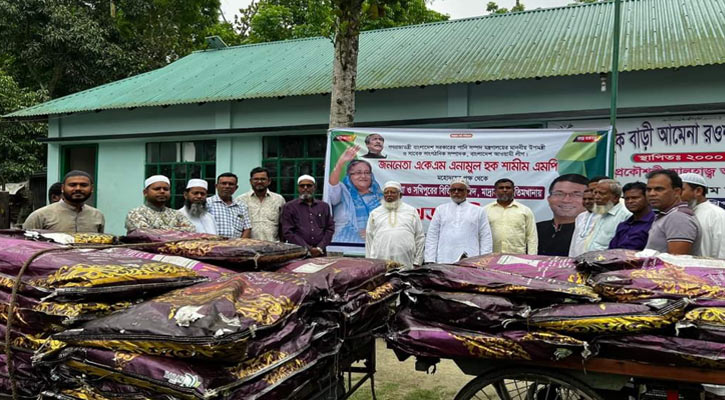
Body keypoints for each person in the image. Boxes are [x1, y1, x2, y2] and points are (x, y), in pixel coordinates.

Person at [424, 178, 493, 263]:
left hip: (471, 258)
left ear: (467, 192)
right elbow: (432, 236)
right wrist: (430, 259)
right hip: (444, 258)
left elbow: (485, 237)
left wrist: (485, 259)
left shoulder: (478, 211)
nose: (456, 192)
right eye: (453, 190)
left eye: (460, 190)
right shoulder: (441, 210)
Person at [328, 146, 383, 243]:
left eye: (367, 172)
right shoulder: (343, 193)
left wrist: (372, 232)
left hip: (375, 247)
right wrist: (340, 163)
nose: (363, 176)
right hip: (344, 246)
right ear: (349, 176)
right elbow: (332, 186)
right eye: (358, 173)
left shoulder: (379, 197)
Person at [365, 181, 425, 267]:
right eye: (386, 192)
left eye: (393, 192)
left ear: (400, 195)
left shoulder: (411, 211)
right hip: (380, 259)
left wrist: (417, 261)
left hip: (406, 260)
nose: (389, 195)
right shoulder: (375, 213)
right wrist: (370, 262)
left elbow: (419, 237)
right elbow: (369, 238)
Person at [24, 170, 104, 233]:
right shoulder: (40, 216)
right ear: (62, 188)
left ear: (92, 189)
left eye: (83, 185)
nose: (78, 188)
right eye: (72, 185)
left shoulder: (97, 215)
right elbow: (25, 247)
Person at [644, 169, 700, 255]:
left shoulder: (678, 217)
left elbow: (676, 262)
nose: (652, 194)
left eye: (659, 189)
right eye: (648, 189)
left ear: (676, 192)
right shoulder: (667, 214)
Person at [280, 175, 335, 256]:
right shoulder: (289, 207)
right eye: (302, 186)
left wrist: (320, 247)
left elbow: (329, 228)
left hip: (320, 252)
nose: (305, 188)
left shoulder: (324, 206)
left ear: (314, 187)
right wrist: (308, 248)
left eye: (309, 185)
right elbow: (288, 231)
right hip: (299, 252)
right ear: (298, 188)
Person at [536, 174, 588, 256]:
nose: (566, 200)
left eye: (576, 195)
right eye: (559, 194)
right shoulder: (534, 229)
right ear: (549, 199)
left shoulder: (591, 232)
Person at [484, 178, 537, 254]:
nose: (505, 190)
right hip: (491, 257)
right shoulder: (485, 210)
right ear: (495, 191)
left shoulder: (525, 211)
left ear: (514, 191)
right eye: (501, 188)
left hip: (518, 257)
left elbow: (532, 237)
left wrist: (532, 257)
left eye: (508, 188)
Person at [125, 175, 195, 233]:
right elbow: (146, 234)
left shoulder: (176, 214)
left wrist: (157, 229)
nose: (162, 191)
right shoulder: (136, 213)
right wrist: (177, 230)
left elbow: (192, 230)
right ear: (145, 192)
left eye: (166, 189)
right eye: (157, 189)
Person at [680, 173, 725, 258]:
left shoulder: (717, 215)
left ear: (698, 191)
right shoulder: (680, 214)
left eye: (681, 190)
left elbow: (722, 251)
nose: (676, 194)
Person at [237, 167, 285, 241]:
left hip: (273, 246)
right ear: (250, 181)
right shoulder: (240, 200)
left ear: (269, 181)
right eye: (256, 179)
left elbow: (283, 225)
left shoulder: (278, 199)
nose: (259, 181)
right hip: (248, 246)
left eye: (263, 179)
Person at [582, 179, 632, 251]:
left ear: (615, 197)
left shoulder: (626, 215)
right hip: (592, 259)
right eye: (595, 193)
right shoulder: (602, 211)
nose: (596, 197)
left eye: (601, 193)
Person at [608, 182, 655, 250]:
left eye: (635, 198)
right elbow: (611, 250)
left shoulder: (655, 223)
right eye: (627, 199)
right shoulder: (623, 225)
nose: (630, 201)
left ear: (647, 199)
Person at [206, 173, 252, 238]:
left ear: (236, 188)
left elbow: (247, 229)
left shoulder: (241, 206)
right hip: (213, 245)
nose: (227, 186)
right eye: (223, 183)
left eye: (231, 184)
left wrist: (240, 245)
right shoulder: (206, 203)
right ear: (216, 186)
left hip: (236, 246)